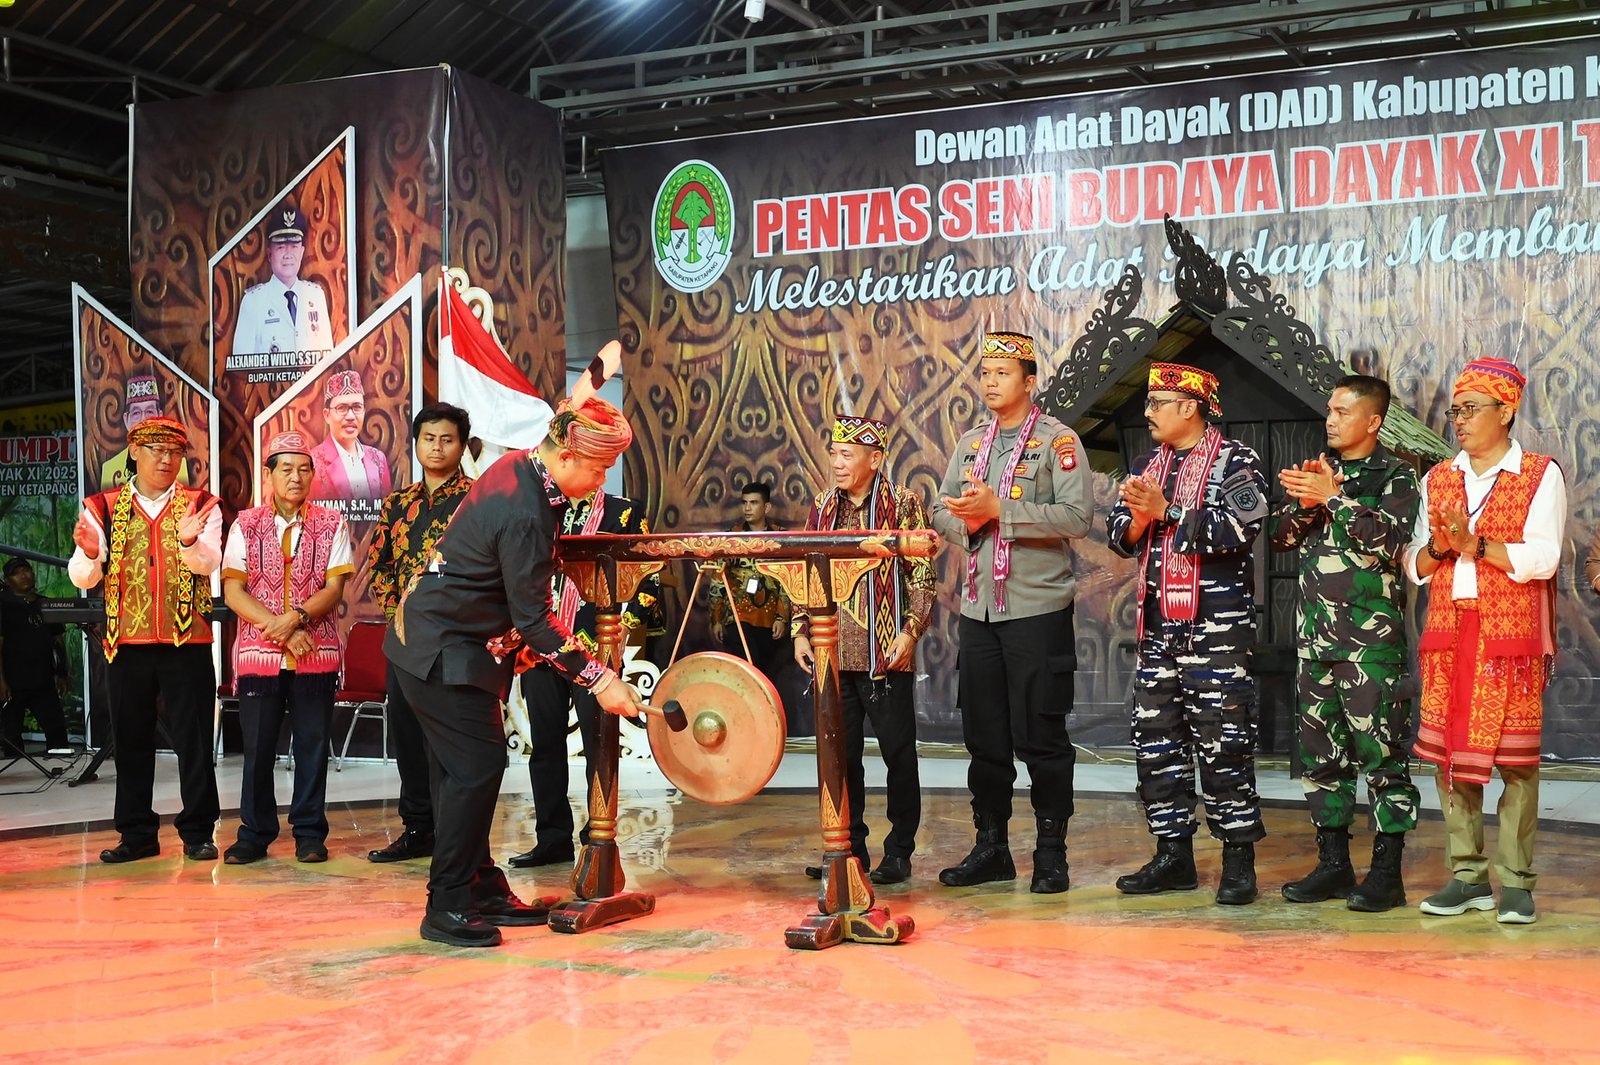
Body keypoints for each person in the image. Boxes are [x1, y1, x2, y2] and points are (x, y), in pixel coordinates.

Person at [384, 395, 647, 948]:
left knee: (466, 772)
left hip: (443, 643)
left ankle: (480, 887)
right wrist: (601, 680)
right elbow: (535, 619)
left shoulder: (517, 468)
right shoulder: (526, 509)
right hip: (443, 650)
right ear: (567, 456)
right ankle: (447, 904)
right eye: (599, 468)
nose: (600, 481)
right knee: (475, 770)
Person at [930, 330, 1092, 895]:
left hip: (1035, 609)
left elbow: (1077, 517)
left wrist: (1002, 511)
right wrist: (970, 523)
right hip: (978, 611)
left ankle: (1051, 853)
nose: (991, 382)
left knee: (1041, 735)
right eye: (985, 372)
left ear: (1029, 381)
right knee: (985, 737)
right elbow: (940, 510)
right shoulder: (972, 442)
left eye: (1002, 373)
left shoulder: (1058, 441)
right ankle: (991, 847)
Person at [1405, 357, 1564, 925]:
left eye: (1471, 409)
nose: (1460, 421)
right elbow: (1415, 564)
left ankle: (1516, 882)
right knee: (1449, 758)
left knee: (1516, 763)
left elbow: (1544, 557)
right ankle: (1467, 877)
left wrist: (1476, 545)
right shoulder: (1437, 478)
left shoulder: (1539, 474)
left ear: (1507, 410)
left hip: (1507, 639)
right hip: (1449, 634)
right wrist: (1442, 547)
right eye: (1455, 411)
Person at [1107, 362, 1269, 905]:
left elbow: (1243, 526)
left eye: (1158, 403)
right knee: (1157, 745)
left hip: (1216, 635)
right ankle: (1173, 856)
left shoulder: (1235, 459)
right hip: (1157, 633)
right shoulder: (1146, 464)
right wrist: (1139, 518)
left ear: (1189, 407)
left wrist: (1169, 511)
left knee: (1225, 744)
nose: (1147, 412)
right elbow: (1118, 536)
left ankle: (1238, 861)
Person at [1269, 375, 1421, 912]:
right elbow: (1280, 538)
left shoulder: (1397, 474)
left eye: (1342, 411)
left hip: (1370, 648)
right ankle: (1333, 865)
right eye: (1329, 411)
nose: (1330, 420)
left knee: (1383, 760)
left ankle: (1387, 874)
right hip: (1315, 644)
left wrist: (1333, 499)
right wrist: (1307, 502)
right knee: (1321, 760)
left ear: (1373, 421)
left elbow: (1392, 543)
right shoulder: (1321, 471)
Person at [68, 415, 224, 863]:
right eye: (156, 450)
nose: (166, 459)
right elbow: (81, 575)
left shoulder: (201, 504)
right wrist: (92, 553)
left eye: (174, 452)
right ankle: (136, 834)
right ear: (134, 452)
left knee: (194, 740)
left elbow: (208, 563)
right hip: (127, 643)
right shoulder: (102, 507)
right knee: (132, 741)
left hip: (187, 642)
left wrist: (189, 542)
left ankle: (198, 831)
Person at [793, 414, 934, 885]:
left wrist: (911, 632)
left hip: (885, 652)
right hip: (833, 654)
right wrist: (799, 630)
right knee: (840, 756)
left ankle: (899, 851)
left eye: (846, 455)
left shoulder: (904, 504)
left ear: (875, 460)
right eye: (833, 453)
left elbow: (921, 574)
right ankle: (847, 848)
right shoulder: (822, 506)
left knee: (899, 756)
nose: (836, 463)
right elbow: (805, 569)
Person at [507, 488, 661, 870]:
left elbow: (650, 576)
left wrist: (626, 626)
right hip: (542, 649)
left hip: (596, 653)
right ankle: (552, 838)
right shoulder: (542, 511)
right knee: (544, 747)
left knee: (599, 745)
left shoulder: (623, 513)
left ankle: (599, 833)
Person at [220, 432, 353, 864]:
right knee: (258, 749)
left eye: (304, 469)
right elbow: (234, 592)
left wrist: (295, 618)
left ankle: (310, 833)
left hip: (316, 654)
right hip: (259, 657)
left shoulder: (332, 523)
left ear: (314, 475)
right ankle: (253, 834)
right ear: (269, 475)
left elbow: (334, 588)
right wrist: (282, 630)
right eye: (286, 469)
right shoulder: (245, 524)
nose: (295, 477)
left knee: (312, 747)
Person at [365, 404, 475, 863]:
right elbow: (379, 565)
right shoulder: (397, 503)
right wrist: (398, 614)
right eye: (429, 438)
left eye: (447, 439)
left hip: (457, 638)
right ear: (416, 443)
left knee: (450, 740)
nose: (437, 447)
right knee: (407, 736)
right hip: (405, 639)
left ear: (462, 446)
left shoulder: (477, 499)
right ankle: (417, 829)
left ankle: (455, 834)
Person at [707, 481, 792, 675]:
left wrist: (781, 617)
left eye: (753, 503)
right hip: (736, 616)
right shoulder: (730, 538)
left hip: (768, 618)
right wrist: (716, 619)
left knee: (764, 672)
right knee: (746, 669)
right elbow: (718, 579)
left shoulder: (781, 538)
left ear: (766, 507)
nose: (747, 508)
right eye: (744, 502)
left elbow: (787, 581)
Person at [231, 205, 334, 358]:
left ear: (302, 252)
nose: (288, 254)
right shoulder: (253, 302)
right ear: (269, 254)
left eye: (294, 246)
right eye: (281, 247)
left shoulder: (316, 296)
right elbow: (241, 366)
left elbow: (328, 360)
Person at [0, 557, 74, 756]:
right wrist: (1, 681)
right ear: (7, 580)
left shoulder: (44, 604)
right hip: (13, 682)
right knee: (12, 734)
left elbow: (58, 641)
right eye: (16, 573)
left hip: (43, 680)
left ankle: (58, 767)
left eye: (26, 570)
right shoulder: (3, 605)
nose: (23, 575)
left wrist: (62, 673)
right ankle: (19, 770)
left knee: (57, 730)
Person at [309, 371, 393, 503]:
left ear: (364, 411)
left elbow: (388, 509)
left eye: (357, 407)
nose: (350, 416)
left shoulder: (378, 459)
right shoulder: (312, 461)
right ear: (327, 415)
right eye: (341, 408)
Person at [98, 374, 192, 490]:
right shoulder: (109, 468)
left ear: (159, 416)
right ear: (126, 419)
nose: (143, 419)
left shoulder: (176, 463)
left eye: (149, 412)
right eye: (136, 413)